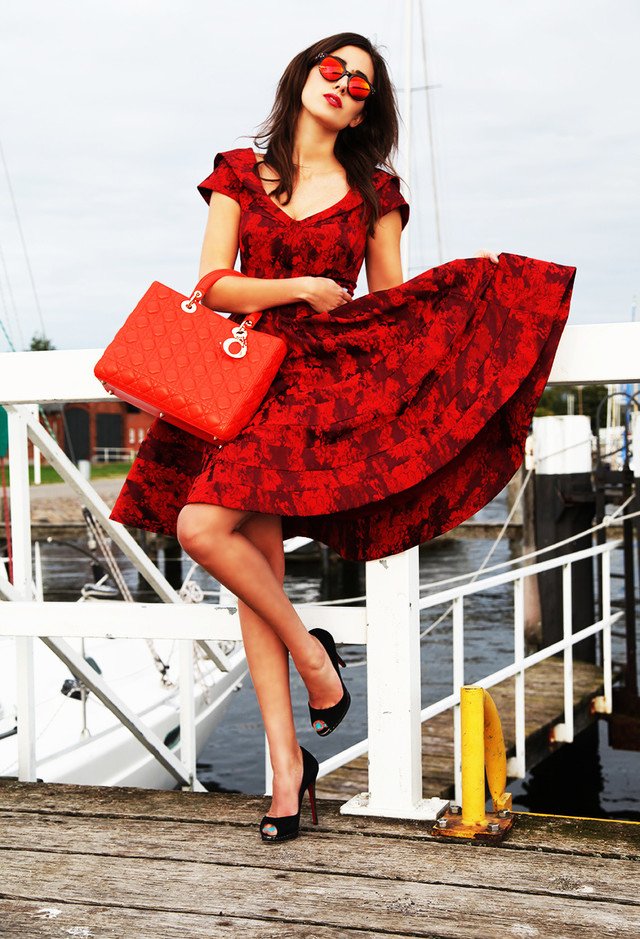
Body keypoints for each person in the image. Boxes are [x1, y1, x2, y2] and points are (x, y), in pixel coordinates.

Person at [109, 32, 576, 842]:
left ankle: (307, 701)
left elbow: (395, 305)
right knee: (237, 558)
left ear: (367, 110)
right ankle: (295, 744)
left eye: (361, 85)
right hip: (247, 374)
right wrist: (299, 286)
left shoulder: (374, 193)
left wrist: (478, 320)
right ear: (302, 75)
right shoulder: (237, 171)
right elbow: (211, 283)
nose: (345, 87)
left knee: (204, 528)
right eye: (334, 69)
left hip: (317, 389)